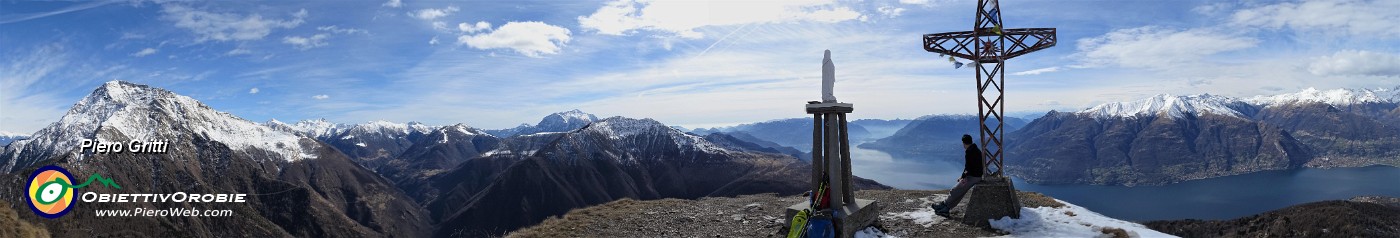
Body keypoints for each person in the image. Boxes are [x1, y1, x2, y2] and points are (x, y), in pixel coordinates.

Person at [931, 134, 984, 217]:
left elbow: (968, 167)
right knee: (959, 193)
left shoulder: (970, 151)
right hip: (975, 175)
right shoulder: (975, 149)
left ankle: (944, 206)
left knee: (955, 190)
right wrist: (964, 176)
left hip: (973, 177)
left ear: (964, 143)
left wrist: (962, 177)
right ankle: (946, 207)